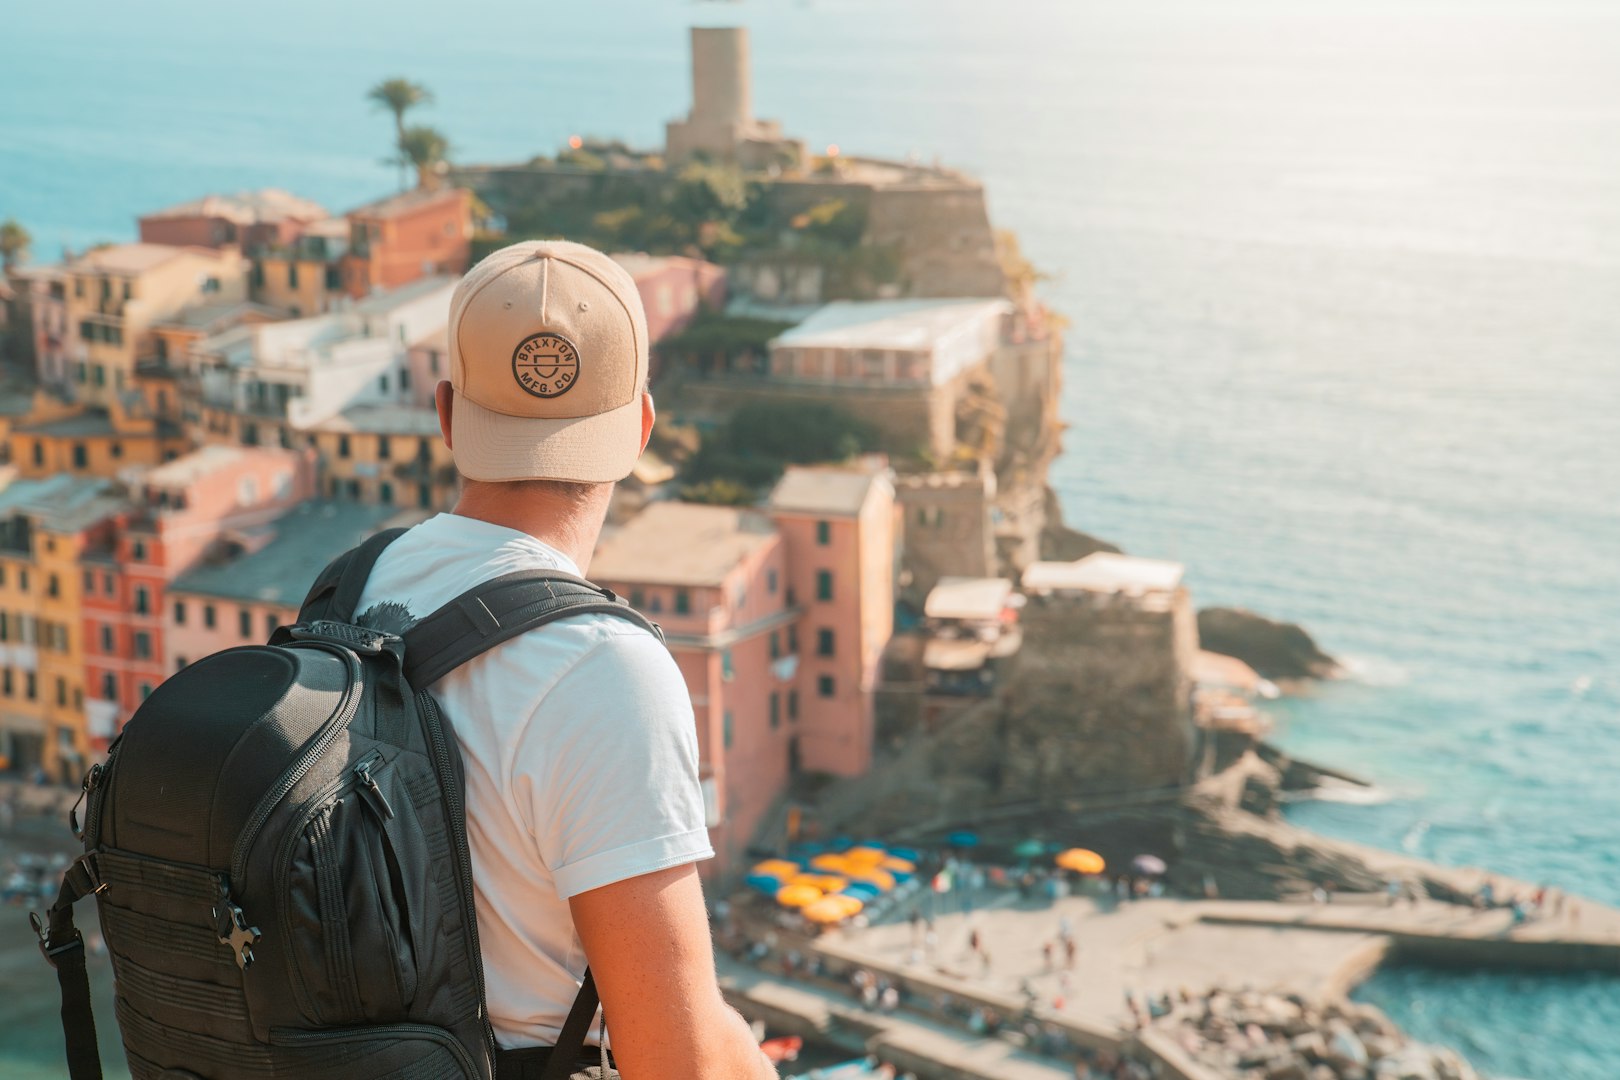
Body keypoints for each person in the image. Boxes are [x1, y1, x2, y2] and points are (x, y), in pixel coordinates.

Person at [355, 241, 774, 1080]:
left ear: (445, 415)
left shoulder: (353, 587)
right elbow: (677, 1059)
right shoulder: (601, 668)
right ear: (642, 426)